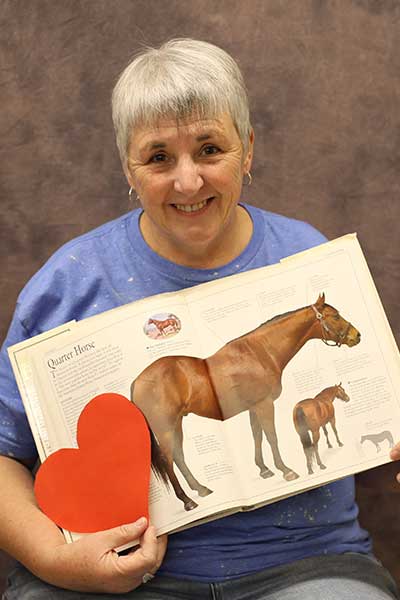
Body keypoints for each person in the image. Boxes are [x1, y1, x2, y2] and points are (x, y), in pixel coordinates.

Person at [0, 38, 399, 600]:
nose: (188, 182)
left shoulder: (308, 261)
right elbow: (2, 452)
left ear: (249, 150)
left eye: (210, 149)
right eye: (159, 157)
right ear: (128, 168)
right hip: (109, 575)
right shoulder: (68, 281)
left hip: (306, 565)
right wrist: (56, 559)